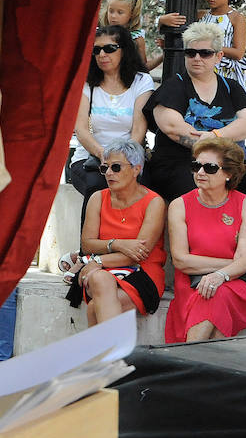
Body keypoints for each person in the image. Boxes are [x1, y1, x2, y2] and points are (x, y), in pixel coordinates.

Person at [143, 21, 246, 202]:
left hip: (227, 164)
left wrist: (215, 136)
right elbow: (173, 128)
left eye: (205, 53)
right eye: (191, 53)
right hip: (182, 164)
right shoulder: (173, 86)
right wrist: (214, 142)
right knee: (198, 194)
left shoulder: (231, 87)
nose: (197, 58)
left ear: (218, 56)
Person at [165, 137, 246, 343]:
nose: (200, 173)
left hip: (237, 283)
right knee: (211, 296)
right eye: (196, 166)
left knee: (215, 294)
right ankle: (208, 369)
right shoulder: (179, 205)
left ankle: (189, 362)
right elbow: (181, 260)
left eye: (209, 168)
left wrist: (222, 275)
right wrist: (240, 265)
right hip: (192, 282)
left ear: (228, 173)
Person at [61, 139, 167, 326]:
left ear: (136, 169)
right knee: (101, 278)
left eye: (116, 167)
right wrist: (117, 244)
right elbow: (87, 244)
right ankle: (113, 354)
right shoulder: (98, 198)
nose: (109, 173)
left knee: (95, 306)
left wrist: (99, 261)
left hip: (142, 272)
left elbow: (138, 254)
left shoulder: (154, 202)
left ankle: (105, 355)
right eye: (105, 168)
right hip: (102, 271)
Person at [69, 26, 153, 216]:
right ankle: (89, 245)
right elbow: (81, 130)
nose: (102, 54)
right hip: (89, 159)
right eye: (96, 50)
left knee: (146, 185)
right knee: (97, 187)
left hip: (129, 158)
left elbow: (139, 129)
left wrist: (121, 161)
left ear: (124, 50)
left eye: (109, 48)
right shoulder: (87, 83)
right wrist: (105, 157)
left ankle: (135, 244)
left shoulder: (141, 81)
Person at [199, 0, 246, 117]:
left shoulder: (236, 18)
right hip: (202, 71)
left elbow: (238, 53)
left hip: (226, 75)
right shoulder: (201, 15)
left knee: (226, 115)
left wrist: (211, 48)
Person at [101, 0, 182, 71]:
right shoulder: (100, 35)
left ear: (131, 14)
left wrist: (164, 55)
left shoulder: (136, 38)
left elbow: (143, 67)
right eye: (111, 11)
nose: (113, 16)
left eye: (120, 12)